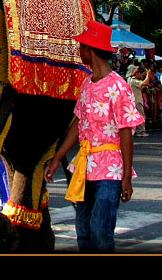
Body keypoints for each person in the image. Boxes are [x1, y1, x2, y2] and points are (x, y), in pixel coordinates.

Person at [45, 20, 143, 253]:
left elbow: (126, 132)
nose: (79, 51)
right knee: (84, 230)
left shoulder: (118, 86)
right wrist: (59, 157)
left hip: (110, 170)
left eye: (81, 46)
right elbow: (77, 124)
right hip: (84, 167)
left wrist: (127, 176)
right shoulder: (87, 84)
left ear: (90, 49)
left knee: (101, 230)